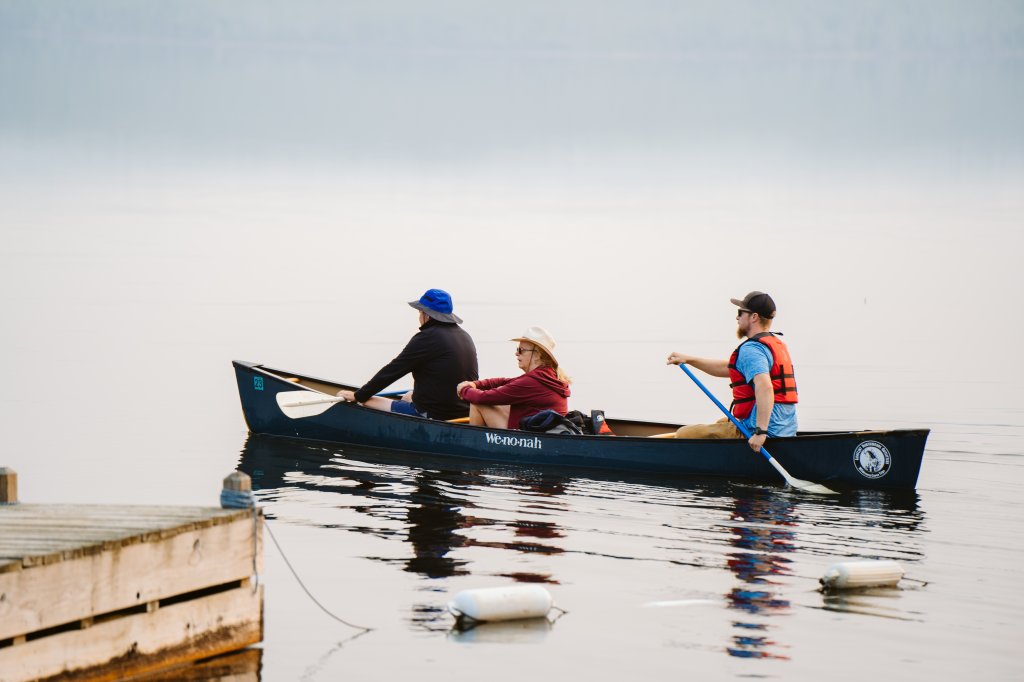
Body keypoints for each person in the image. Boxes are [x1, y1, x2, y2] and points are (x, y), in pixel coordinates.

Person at [666, 291, 798, 451]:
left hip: (761, 431)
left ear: (754, 317)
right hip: (784, 429)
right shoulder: (774, 344)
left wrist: (760, 432)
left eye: (740, 313)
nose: (737, 318)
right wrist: (689, 360)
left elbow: (765, 387)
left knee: (683, 433)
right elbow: (728, 368)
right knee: (722, 422)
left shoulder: (752, 349)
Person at [336, 289, 478, 420]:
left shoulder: (427, 337)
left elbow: (393, 370)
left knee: (367, 401)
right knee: (408, 395)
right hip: (465, 411)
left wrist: (358, 395)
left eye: (419, 313)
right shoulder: (464, 336)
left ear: (426, 315)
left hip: (434, 414)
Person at [456, 326, 571, 430]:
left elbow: (482, 398)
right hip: (539, 431)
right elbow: (505, 381)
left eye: (521, 350)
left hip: (527, 438)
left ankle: (475, 445)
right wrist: (476, 384)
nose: (516, 354)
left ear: (537, 355)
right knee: (502, 403)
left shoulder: (531, 382)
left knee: (477, 403)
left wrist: (464, 390)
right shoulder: (547, 375)